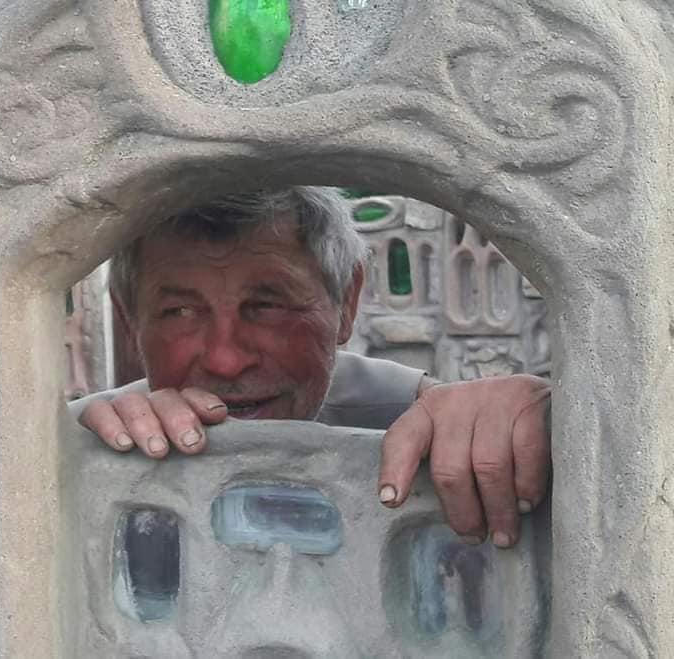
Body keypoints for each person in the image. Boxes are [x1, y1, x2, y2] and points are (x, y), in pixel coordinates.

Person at [73, 187, 551, 549]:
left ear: (347, 302)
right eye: (180, 312)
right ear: (128, 319)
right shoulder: (80, 449)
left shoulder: (414, 416)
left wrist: (542, 423)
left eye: (267, 305)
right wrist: (75, 457)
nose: (226, 359)